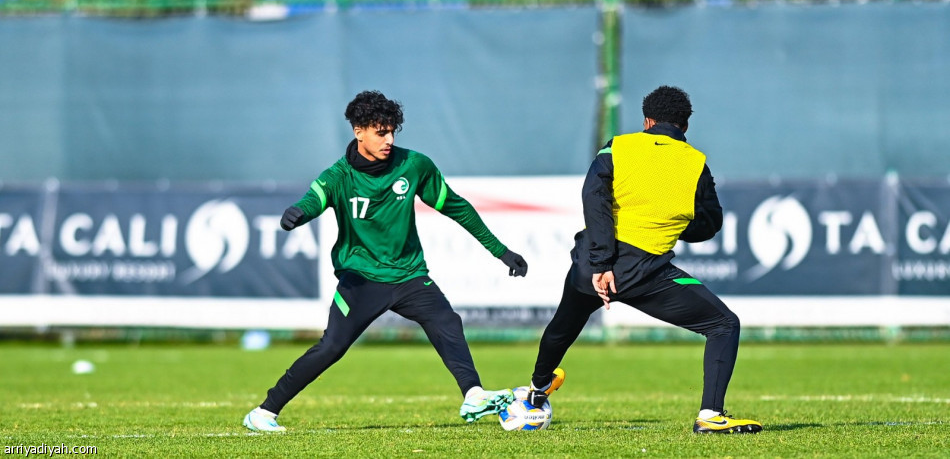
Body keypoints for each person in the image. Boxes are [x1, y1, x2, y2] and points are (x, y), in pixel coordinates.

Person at [243, 90, 529, 432]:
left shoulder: (414, 166)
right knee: (331, 348)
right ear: (358, 130)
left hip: (409, 275)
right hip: (361, 279)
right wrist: (298, 213)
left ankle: (473, 394)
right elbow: (314, 200)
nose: (389, 139)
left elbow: (458, 207)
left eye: (392, 131)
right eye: (381, 132)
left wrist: (500, 251)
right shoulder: (339, 176)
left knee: (447, 321)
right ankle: (263, 412)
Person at [525, 85, 762, 434]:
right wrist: (670, 223)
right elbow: (709, 224)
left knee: (562, 327)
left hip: (590, 267)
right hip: (647, 274)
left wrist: (602, 263)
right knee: (723, 324)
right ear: (685, 126)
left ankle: (537, 389)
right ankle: (711, 416)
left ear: (647, 121)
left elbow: (594, 197)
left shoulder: (618, 147)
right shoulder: (696, 164)